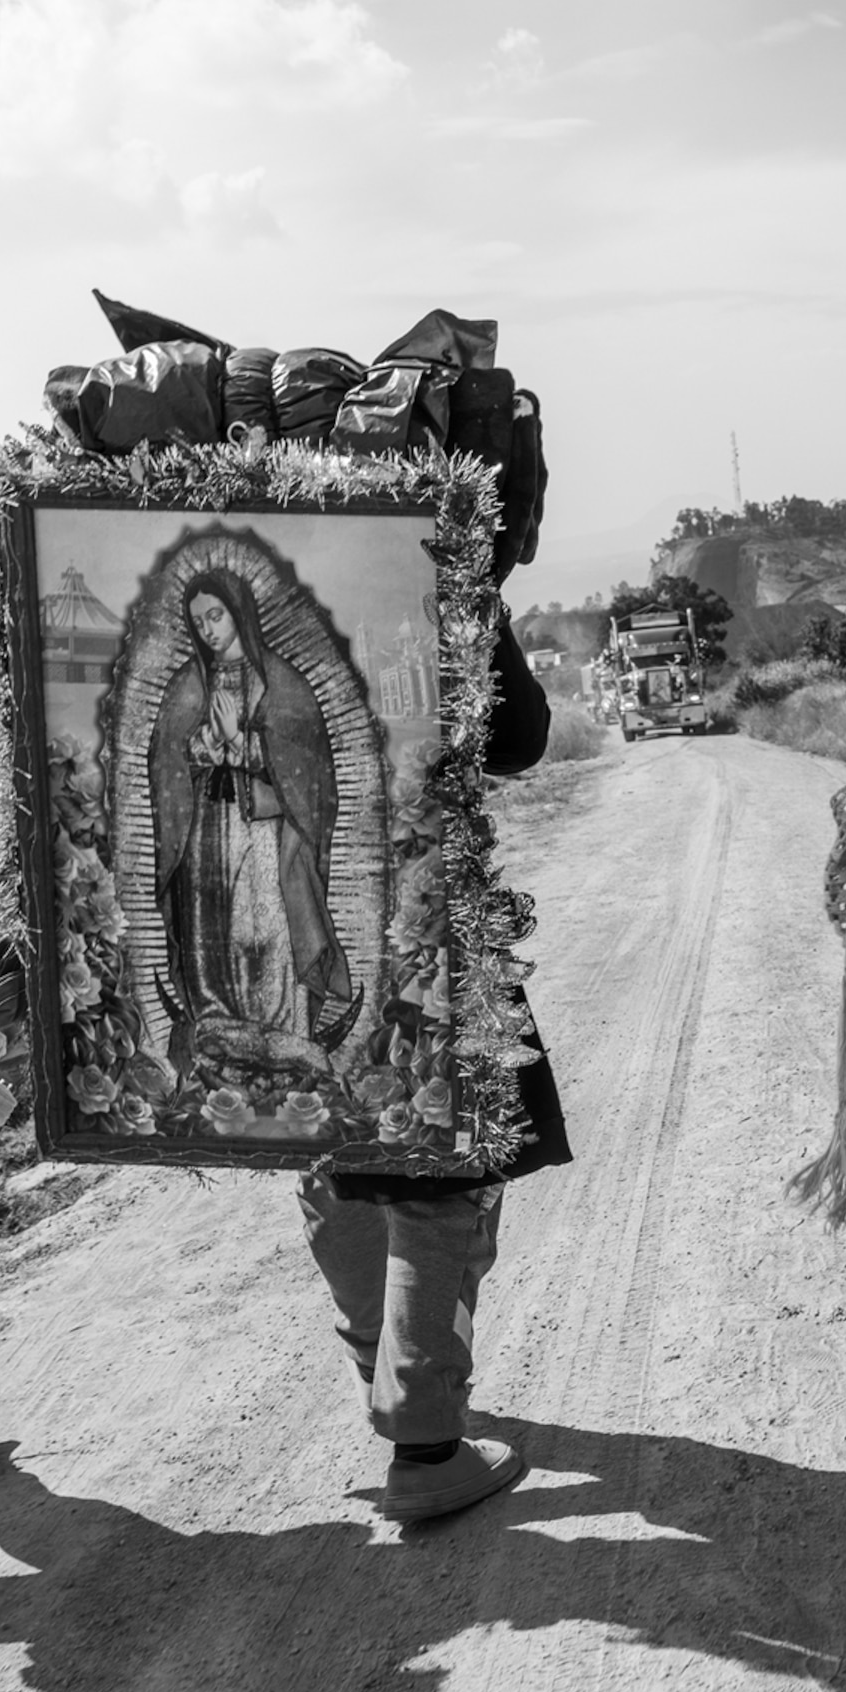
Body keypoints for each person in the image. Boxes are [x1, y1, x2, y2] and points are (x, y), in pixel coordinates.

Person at [293, 603, 572, 1523]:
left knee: (330, 1147)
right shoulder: (422, 553)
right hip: (413, 912)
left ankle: (387, 1360)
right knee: (436, 1172)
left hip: (291, 922)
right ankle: (425, 1442)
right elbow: (519, 737)